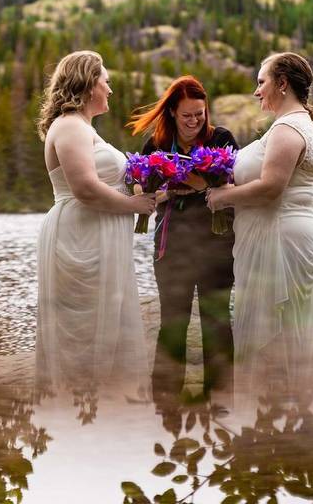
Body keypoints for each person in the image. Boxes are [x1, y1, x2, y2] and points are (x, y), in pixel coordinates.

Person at [206, 52, 313, 414]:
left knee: (275, 331)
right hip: (279, 235)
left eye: (261, 82)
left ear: (282, 84)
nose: (257, 91)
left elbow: (272, 187)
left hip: (281, 239)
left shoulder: (289, 128)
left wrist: (222, 198)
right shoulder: (290, 124)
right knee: (278, 330)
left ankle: (272, 419)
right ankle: (278, 416)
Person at [34, 50, 155, 399]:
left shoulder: (82, 127)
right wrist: (133, 204)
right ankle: (81, 411)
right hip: (80, 237)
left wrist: (156, 195)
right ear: (88, 85)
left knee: (103, 321)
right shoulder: (70, 125)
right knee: (82, 325)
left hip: (96, 235)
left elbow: (106, 185)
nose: (110, 90)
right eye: (106, 82)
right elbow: (85, 188)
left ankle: (106, 409)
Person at [127, 76, 238, 404]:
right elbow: (138, 188)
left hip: (217, 241)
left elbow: (236, 185)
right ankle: (166, 402)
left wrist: (196, 182)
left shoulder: (221, 139)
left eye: (200, 115)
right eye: (187, 115)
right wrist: (168, 191)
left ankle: (218, 398)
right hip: (171, 243)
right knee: (173, 320)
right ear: (173, 112)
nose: (194, 122)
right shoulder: (158, 142)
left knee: (215, 320)